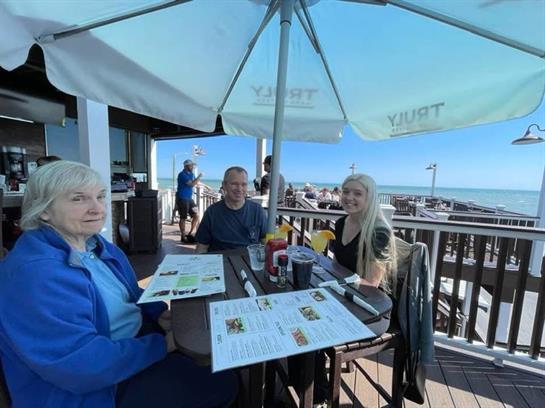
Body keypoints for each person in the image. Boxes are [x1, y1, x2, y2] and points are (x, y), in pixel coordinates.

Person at [0, 161, 237, 407]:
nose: (97, 209)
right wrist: (163, 344)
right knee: (220, 382)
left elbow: (131, 293)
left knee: (219, 361)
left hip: (130, 343)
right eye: (78, 199)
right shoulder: (36, 274)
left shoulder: (96, 246)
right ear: (44, 210)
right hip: (94, 389)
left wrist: (159, 314)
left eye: (100, 196)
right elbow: (82, 365)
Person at [334, 173, 396, 289]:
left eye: (357, 193)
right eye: (346, 191)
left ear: (369, 198)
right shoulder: (341, 223)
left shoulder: (379, 231)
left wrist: (333, 283)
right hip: (340, 289)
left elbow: (372, 283)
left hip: (367, 298)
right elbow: (336, 265)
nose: (349, 197)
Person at [196, 166, 267, 253]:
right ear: (224, 185)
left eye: (243, 184)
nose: (239, 189)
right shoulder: (212, 212)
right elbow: (202, 247)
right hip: (221, 263)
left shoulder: (257, 211)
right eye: (234, 184)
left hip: (249, 263)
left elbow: (265, 242)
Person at [176, 159, 202, 243]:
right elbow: (191, 184)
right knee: (183, 217)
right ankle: (183, 236)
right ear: (186, 166)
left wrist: (206, 186)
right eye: (191, 165)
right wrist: (199, 176)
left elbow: (195, 182)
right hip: (182, 198)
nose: (193, 167)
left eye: (193, 165)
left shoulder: (191, 174)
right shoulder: (182, 175)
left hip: (189, 199)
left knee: (196, 215)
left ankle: (190, 233)